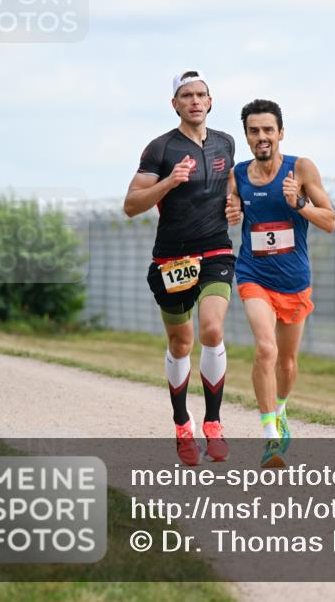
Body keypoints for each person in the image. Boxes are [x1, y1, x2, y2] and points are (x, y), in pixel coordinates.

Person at [123, 70, 242, 466]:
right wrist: (169, 182)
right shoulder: (160, 149)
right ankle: (181, 425)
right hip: (172, 256)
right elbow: (131, 205)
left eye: (201, 94)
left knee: (212, 329)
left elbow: (228, 186)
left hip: (216, 251)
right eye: (186, 95)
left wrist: (234, 204)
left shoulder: (226, 142)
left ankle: (213, 423)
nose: (194, 101)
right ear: (174, 103)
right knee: (181, 344)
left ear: (210, 102)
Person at [231, 99, 335, 468]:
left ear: (280, 134)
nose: (262, 137)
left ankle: (281, 410)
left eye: (268, 130)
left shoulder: (301, 168)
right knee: (265, 349)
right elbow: (226, 214)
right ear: (246, 136)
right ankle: (270, 438)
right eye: (254, 131)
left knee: (288, 363)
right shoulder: (237, 175)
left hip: (293, 280)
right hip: (253, 274)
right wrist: (228, 213)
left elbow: (330, 220)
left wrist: (299, 204)